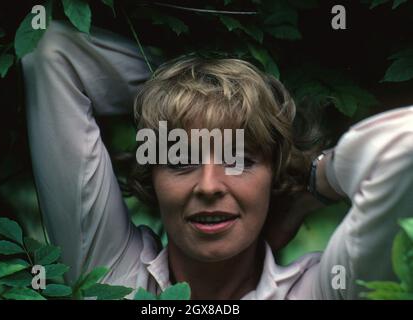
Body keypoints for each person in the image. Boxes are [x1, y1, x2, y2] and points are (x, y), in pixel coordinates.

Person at [22, 20, 413, 299]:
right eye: (179, 160)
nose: (208, 186)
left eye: (239, 159)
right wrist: (185, 91)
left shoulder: (320, 290)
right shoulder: (108, 272)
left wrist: (313, 179)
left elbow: (403, 146)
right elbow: (49, 51)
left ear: (274, 174)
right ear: (152, 179)